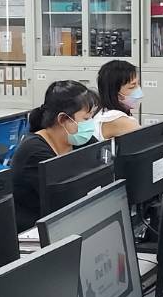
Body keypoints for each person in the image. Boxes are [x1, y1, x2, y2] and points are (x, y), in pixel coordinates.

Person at [9, 79, 100, 231]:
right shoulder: (34, 152)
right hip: (34, 231)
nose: (90, 124)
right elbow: (66, 198)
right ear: (62, 119)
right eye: (86, 119)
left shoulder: (80, 140)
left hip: (69, 223)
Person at [92, 59, 142, 140]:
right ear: (115, 93)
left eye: (138, 84)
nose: (138, 90)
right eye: (132, 87)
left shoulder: (103, 111)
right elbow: (147, 140)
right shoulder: (117, 119)